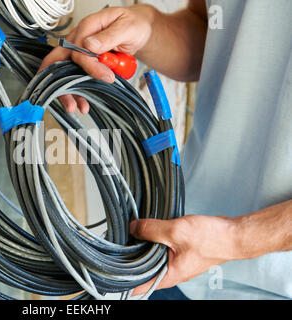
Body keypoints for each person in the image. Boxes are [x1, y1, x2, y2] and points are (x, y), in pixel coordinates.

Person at [39, 0, 292, 300]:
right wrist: (146, 27)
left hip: (271, 286)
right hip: (175, 246)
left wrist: (232, 239)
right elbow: (211, 33)